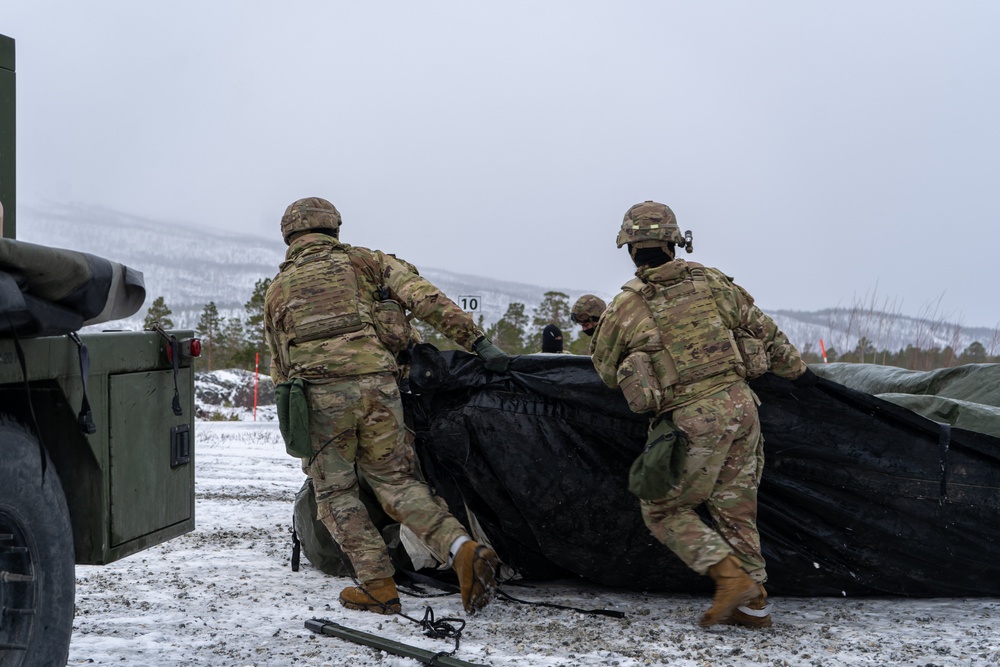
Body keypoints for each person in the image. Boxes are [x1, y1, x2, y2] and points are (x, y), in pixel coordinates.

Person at [264, 197, 510, 615]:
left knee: (336, 494)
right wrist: (481, 345)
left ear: (289, 236)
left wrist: (296, 421)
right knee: (398, 482)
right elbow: (426, 299)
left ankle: (378, 587)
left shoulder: (277, 289)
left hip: (321, 398)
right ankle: (461, 549)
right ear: (334, 230)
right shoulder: (369, 262)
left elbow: (280, 367)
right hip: (380, 388)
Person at [590, 200, 817, 628]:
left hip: (695, 421)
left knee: (661, 509)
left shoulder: (624, 307)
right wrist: (802, 376)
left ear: (630, 249)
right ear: (676, 242)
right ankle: (754, 606)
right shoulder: (712, 282)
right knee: (735, 507)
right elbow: (763, 330)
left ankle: (730, 580)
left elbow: (604, 371)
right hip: (743, 408)